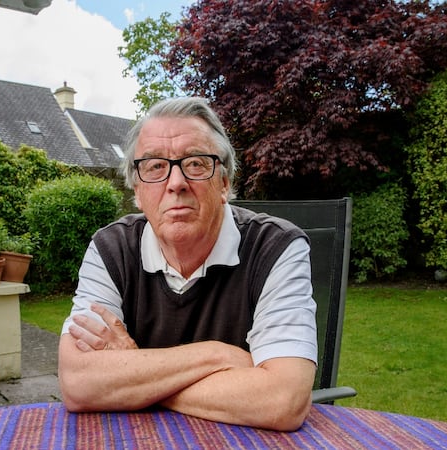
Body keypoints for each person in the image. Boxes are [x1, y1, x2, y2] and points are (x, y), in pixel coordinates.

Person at [58, 97, 317, 431]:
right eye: (154, 167)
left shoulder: (277, 248)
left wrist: (132, 377)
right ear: (137, 192)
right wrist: (218, 356)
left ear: (224, 184)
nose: (176, 183)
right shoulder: (110, 249)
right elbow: (78, 383)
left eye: (195, 163)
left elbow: (284, 400)